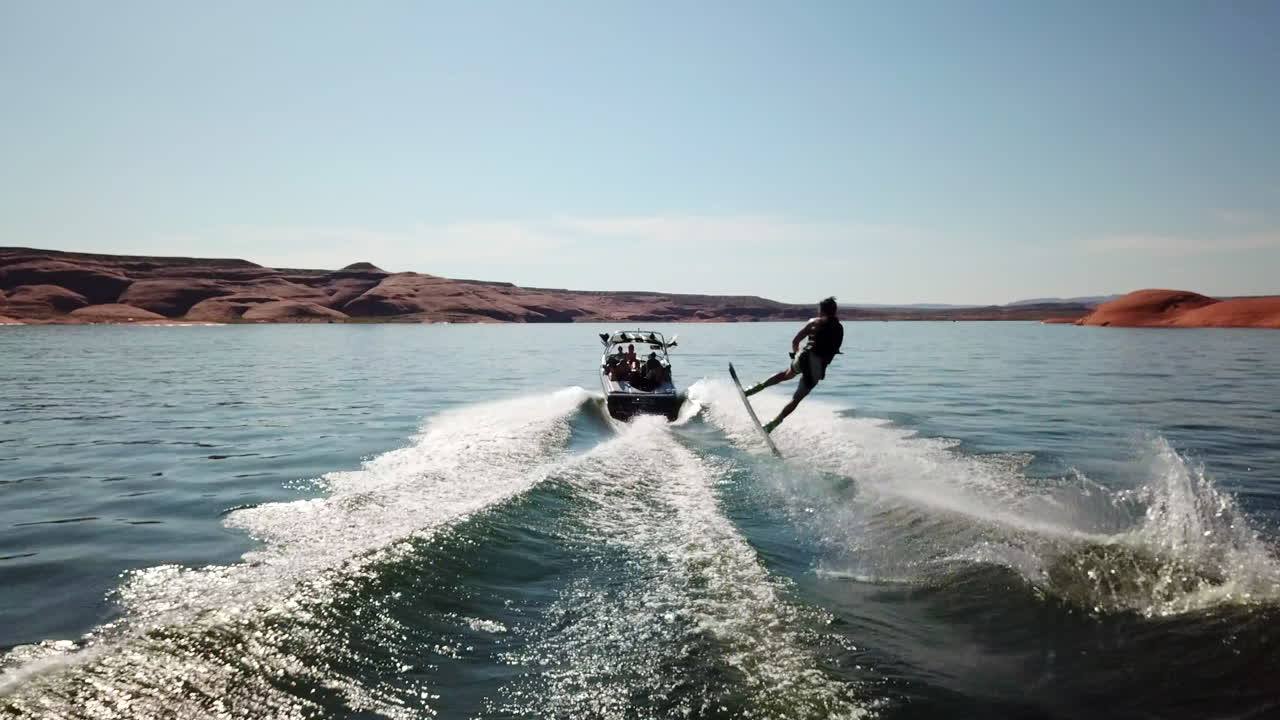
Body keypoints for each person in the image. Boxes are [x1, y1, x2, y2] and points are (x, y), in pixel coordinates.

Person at [744, 296, 843, 433]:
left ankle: (753, 389)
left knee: (786, 374)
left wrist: (796, 355)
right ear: (835, 311)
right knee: (796, 400)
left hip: (804, 357)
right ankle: (773, 424)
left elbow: (795, 341)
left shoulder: (813, 322)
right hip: (817, 367)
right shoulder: (839, 328)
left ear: (822, 310)